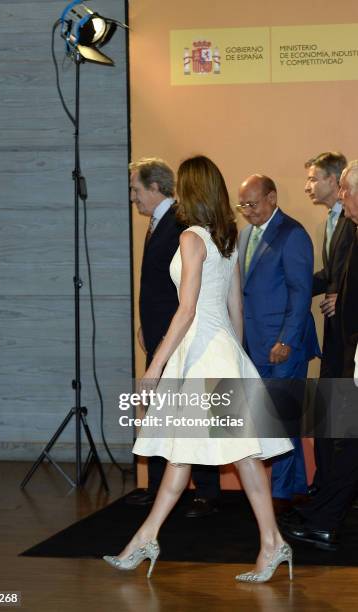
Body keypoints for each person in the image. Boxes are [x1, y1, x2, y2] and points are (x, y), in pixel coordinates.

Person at [103, 156, 293, 582]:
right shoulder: (226, 237)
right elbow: (236, 306)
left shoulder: (191, 237)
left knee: (216, 455)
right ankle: (149, 539)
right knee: (213, 456)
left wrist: (153, 366)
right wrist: (237, 357)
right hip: (221, 350)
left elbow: (186, 310)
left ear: (189, 189)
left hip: (202, 355)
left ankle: (269, 543)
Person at [127, 157, 221, 517]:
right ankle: (156, 487)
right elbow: (155, 283)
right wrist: (145, 324)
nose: (133, 197)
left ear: (155, 187)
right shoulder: (157, 223)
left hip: (179, 334)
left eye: (136, 189)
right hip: (159, 331)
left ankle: (207, 492)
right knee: (160, 415)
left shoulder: (184, 223)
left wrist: (165, 333)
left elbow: (185, 290)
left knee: (189, 414)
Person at [279, 160, 358, 549]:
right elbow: (334, 274)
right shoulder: (346, 225)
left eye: (346, 188)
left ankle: (325, 515)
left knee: (345, 437)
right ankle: (324, 510)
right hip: (344, 348)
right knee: (340, 435)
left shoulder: (350, 226)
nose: (342, 196)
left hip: (350, 349)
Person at [237, 175, 320, 503]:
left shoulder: (292, 234)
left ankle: (282, 494)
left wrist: (286, 340)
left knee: (281, 420)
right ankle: (296, 486)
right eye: (242, 205)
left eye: (252, 204)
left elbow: (301, 293)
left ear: (272, 197)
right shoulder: (244, 235)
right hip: (255, 344)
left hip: (284, 346)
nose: (247, 211)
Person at [304, 152, 356, 495]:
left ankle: (335, 494)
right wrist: (289, 288)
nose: (308, 186)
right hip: (336, 333)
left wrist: (345, 295)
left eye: (313, 178)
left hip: (348, 334)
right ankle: (328, 490)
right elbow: (330, 274)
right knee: (330, 412)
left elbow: (348, 275)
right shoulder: (332, 221)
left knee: (342, 414)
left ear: (336, 181)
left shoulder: (352, 220)